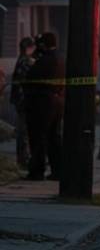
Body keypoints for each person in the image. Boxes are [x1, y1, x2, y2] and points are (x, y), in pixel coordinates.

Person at [23, 32, 65, 181]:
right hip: (57, 100)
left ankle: (37, 171)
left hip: (42, 102)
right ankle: (57, 170)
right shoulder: (60, 58)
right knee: (54, 137)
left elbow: (30, 78)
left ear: (43, 45)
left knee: (38, 136)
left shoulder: (44, 60)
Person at [8, 37, 35, 170]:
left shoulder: (20, 60)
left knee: (22, 130)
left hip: (19, 99)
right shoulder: (27, 61)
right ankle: (24, 159)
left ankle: (22, 158)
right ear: (29, 47)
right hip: (25, 100)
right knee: (25, 131)